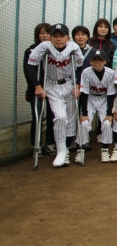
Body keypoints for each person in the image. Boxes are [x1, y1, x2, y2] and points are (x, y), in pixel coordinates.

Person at [26, 23, 84, 168]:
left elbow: (79, 67)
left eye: (61, 36)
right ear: (51, 37)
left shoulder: (73, 48)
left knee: (71, 121)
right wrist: (37, 86)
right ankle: (61, 151)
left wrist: (78, 86)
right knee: (60, 117)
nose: (58, 39)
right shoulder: (44, 47)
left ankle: (66, 151)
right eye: (55, 36)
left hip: (69, 85)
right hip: (52, 86)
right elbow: (30, 65)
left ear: (68, 38)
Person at [24, 23, 56, 156]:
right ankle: (36, 145)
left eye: (48, 33)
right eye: (42, 33)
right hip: (36, 89)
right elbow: (28, 70)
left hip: (52, 88)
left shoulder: (55, 50)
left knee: (52, 117)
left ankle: (50, 143)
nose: (45, 36)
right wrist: (37, 86)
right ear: (37, 35)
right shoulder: (31, 50)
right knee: (37, 117)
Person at [79, 50, 116, 163]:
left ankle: (105, 150)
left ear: (105, 61)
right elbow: (84, 93)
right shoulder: (86, 72)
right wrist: (84, 113)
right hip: (90, 98)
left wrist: (109, 114)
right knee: (84, 123)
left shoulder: (110, 73)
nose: (97, 62)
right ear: (90, 61)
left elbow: (111, 94)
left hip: (104, 99)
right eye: (95, 60)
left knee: (107, 123)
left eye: (100, 60)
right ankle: (81, 150)